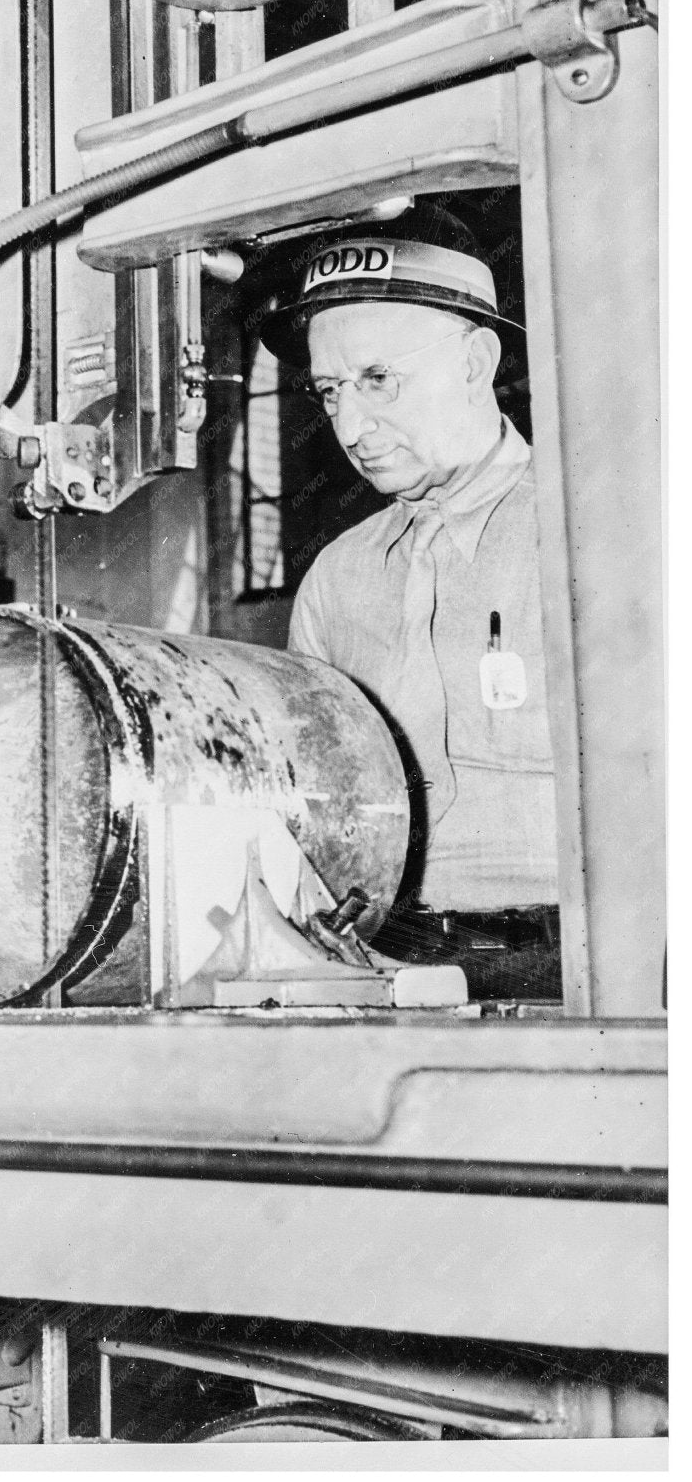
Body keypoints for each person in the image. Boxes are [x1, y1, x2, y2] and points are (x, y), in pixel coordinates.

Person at [260, 212, 559, 1000]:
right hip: (388, 957)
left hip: (577, 956)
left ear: (477, 360)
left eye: (378, 380)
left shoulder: (595, 531)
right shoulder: (336, 578)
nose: (352, 428)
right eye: (329, 393)